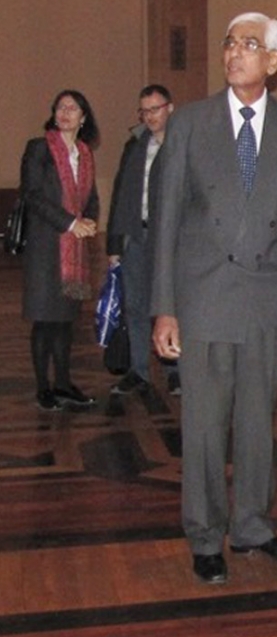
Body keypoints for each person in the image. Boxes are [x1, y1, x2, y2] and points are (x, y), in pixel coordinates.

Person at [151, 12, 277, 585]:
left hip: (272, 297)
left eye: (249, 45)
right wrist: (165, 306)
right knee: (203, 423)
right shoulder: (191, 123)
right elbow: (167, 219)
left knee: (255, 420)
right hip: (205, 296)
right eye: (229, 43)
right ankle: (204, 533)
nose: (234, 53)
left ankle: (252, 525)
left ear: (273, 62)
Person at [21, 90, 101, 411]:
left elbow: (91, 197)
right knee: (45, 320)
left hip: (74, 250)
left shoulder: (84, 152)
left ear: (83, 118)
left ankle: (65, 383)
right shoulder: (39, 148)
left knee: (66, 321)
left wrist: (91, 221)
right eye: (60, 107)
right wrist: (70, 223)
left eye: (73, 108)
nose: (65, 112)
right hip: (45, 248)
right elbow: (33, 195)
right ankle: (44, 387)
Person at [106, 84, 176, 398]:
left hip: (169, 241)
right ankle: (138, 371)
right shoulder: (133, 146)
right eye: (144, 111)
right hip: (136, 235)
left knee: (170, 305)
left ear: (170, 109)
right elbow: (120, 196)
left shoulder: (182, 145)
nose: (149, 116)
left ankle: (176, 371)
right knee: (134, 306)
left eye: (155, 109)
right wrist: (114, 246)